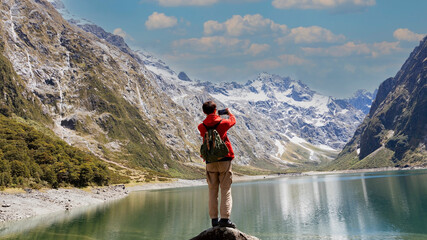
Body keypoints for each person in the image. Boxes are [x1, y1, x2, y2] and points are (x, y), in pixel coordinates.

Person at [198, 100, 236, 228]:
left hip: (210, 162)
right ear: (215, 110)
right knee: (225, 189)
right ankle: (225, 219)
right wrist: (229, 113)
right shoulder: (223, 123)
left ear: (204, 112)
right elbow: (233, 121)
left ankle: (214, 221)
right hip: (224, 160)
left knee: (212, 191)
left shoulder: (201, 126)